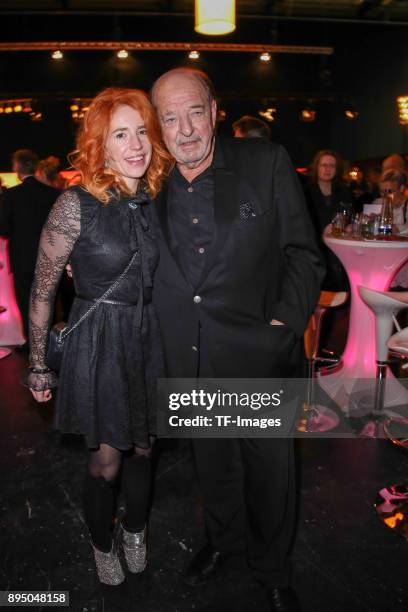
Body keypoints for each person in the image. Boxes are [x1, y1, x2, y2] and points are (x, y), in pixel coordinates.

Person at [150, 68, 324, 611]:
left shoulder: (265, 162)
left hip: (257, 354)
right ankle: (224, 543)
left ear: (216, 110)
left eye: (194, 112)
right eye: (170, 117)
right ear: (158, 125)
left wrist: (282, 326)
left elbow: (303, 253)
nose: (185, 129)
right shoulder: (148, 183)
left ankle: (273, 570)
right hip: (191, 358)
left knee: (272, 475)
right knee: (214, 465)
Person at [25, 88, 172, 585]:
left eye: (141, 133)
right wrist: (38, 362)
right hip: (101, 341)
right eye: (120, 135)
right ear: (100, 145)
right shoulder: (75, 204)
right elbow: (43, 290)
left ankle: (135, 528)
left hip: (148, 335)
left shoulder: (157, 200)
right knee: (106, 462)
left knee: (146, 449)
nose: (136, 145)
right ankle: (101, 542)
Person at [0, 149, 60, 343]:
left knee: (26, 301)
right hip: (50, 258)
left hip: (22, 259)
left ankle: (32, 345)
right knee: (49, 301)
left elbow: (4, 230)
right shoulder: (52, 194)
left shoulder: (11, 195)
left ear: (17, 167)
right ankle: (52, 342)